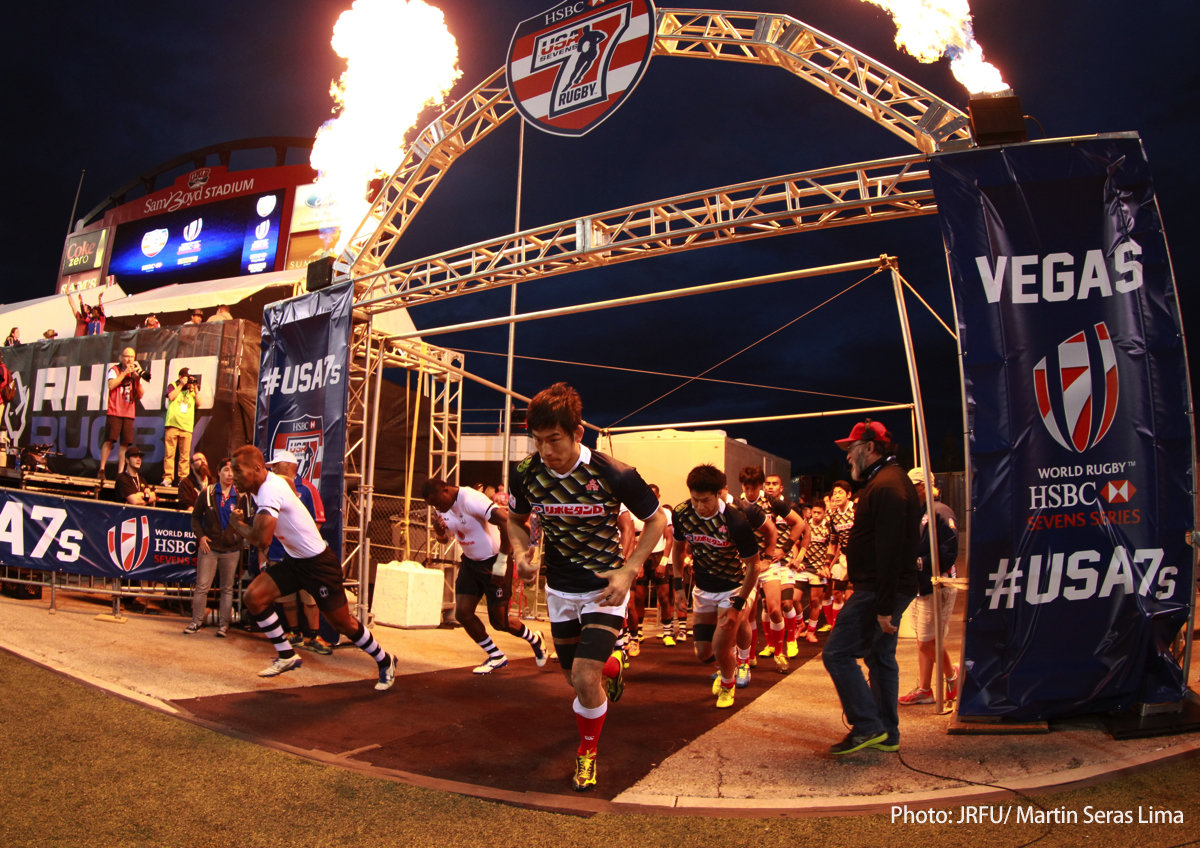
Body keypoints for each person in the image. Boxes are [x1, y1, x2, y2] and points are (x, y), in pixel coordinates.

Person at [507, 382, 665, 793]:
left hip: (604, 587)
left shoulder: (615, 473)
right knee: (575, 679)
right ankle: (613, 666)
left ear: (578, 433)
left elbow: (658, 520)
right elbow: (514, 521)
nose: (545, 450)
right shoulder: (526, 473)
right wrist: (521, 555)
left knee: (582, 675)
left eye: (554, 440)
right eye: (537, 441)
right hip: (559, 589)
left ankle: (587, 753)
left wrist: (629, 570)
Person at [228, 445, 396, 689]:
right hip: (295, 561)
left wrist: (238, 524)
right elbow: (286, 480)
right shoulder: (265, 484)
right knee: (254, 597)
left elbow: (261, 540)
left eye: (238, 470)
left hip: (319, 565)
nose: (233, 476)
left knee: (343, 624)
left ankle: (385, 660)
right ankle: (286, 655)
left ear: (257, 469)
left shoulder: (268, 491)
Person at [822, 420, 920, 755]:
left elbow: (891, 551)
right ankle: (886, 732)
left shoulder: (887, 486)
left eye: (852, 449)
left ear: (870, 448)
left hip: (876, 590)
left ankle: (867, 726)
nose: (848, 456)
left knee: (837, 653)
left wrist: (882, 607)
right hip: (881, 588)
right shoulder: (887, 481)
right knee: (880, 657)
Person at [423, 476, 548, 673]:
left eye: (438, 503)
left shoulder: (471, 499)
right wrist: (439, 533)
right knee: (463, 613)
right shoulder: (441, 506)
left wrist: (501, 563)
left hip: (494, 561)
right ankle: (495, 655)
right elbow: (444, 541)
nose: (438, 508)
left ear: (446, 490)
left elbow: (508, 523)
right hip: (471, 563)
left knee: (500, 622)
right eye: (433, 505)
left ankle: (535, 639)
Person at [671, 464, 765, 709]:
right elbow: (678, 549)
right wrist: (678, 586)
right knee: (703, 653)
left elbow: (754, 567)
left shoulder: (736, 521)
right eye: (695, 500)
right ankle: (729, 661)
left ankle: (728, 683)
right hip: (703, 589)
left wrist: (739, 604)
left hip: (732, 588)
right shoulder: (682, 513)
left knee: (721, 645)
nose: (700, 507)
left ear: (719, 494)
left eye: (705, 501)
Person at [898, 467, 960, 706]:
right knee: (925, 640)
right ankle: (927, 687)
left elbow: (949, 550)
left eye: (911, 486)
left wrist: (919, 563)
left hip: (938, 583)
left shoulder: (940, 511)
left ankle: (950, 677)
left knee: (928, 639)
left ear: (922, 486)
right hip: (920, 584)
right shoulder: (916, 512)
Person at [263, 449, 333, 655]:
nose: (273, 469)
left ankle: (314, 636)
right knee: (286, 598)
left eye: (276, 465)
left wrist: (299, 545)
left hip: (305, 558)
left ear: (288, 466)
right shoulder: (270, 489)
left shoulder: (309, 490)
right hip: (279, 553)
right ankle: (294, 633)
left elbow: (318, 522)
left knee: (310, 598)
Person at [739, 466, 806, 672]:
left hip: (770, 563)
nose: (750, 492)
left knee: (776, 608)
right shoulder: (736, 504)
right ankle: (749, 657)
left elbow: (800, 523)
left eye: (754, 488)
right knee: (747, 614)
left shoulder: (773, 502)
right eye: (746, 488)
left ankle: (779, 653)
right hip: (747, 564)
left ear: (760, 486)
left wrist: (784, 550)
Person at [186, 458, 245, 636]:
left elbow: (247, 522)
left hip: (231, 550)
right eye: (226, 470)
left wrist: (237, 536)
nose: (230, 475)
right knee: (202, 586)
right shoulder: (208, 492)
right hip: (209, 548)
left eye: (233, 471)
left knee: (227, 589)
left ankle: (223, 626)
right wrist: (201, 536)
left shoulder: (241, 496)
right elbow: (195, 518)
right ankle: (196, 622)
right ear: (218, 472)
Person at [98, 347, 144, 482]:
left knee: (125, 444)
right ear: (121, 357)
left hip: (129, 413)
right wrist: (125, 374)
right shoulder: (114, 370)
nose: (129, 359)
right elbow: (111, 385)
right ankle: (102, 468)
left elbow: (140, 394)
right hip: (115, 410)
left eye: (131, 357)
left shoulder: (134, 373)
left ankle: (120, 472)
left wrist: (138, 379)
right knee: (109, 440)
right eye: (126, 356)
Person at [797, 499, 838, 642]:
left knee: (815, 600)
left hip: (819, 568)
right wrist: (798, 560)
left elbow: (832, 546)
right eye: (813, 512)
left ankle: (811, 631)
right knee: (793, 600)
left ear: (824, 513)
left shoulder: (828, 527)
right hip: (804, 566)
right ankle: (800, 623)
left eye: (819, 513)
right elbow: (797, 543)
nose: (815, 515)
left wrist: (827, 566)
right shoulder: (805, 525)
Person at [162, 367, 197, 486]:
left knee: (185, 456)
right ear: (180, 377)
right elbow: (171, 397)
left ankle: (183, 479)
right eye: (186, 377)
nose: (188, 380)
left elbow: (199, 403)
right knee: (169, 454)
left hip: (186, 427)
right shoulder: (173, 385)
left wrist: (195, 389)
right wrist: (181, 385)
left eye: (190, 378)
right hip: (172, 424)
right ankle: (168, 478)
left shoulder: (192, 390)